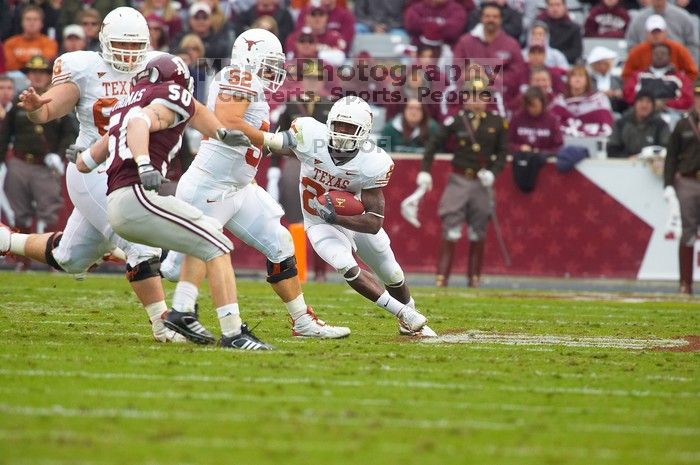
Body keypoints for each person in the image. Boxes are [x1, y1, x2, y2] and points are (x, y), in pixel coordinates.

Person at [0, 7, 182, 343]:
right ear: (104, 41)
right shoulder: (83, 67)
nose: (128, 54)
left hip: (132, 169)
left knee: (72, 258)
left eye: (134, 45)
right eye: (121, 45)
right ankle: (163, 323)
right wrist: (38, 106)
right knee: (141, 243)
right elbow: (51, 108)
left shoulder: (160, 66)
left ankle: (7, 240)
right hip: (92, 169)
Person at [159, 30, 350, 339]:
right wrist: (275, 139)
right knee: (176, 266)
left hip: (237, 188)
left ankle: (302, 320)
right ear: (250, 58)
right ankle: (169, 300)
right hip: (209, 188)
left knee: (280, 242)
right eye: (269, 63)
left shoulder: (252, 85)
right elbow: (228, 121)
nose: (274, 70)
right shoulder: (238, 75)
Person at [89, 53, 269, 348]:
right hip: (138, 197)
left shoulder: (128, 101)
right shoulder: (167, 96)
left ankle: (183, 311)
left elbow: (88, 160)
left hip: (118, 202)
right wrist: (145, 163)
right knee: (218, 243)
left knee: (202, 236)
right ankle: (233, 333)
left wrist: (222, 133)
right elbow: (140, 122)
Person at [273, 96, 436, 336]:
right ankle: (404, 314)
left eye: (349, 128)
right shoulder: (311, 137)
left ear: (364, 131)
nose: (342, 132)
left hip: (351, 221)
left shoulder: (372, 161)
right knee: (345, 266)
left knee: (391, 272)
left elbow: (374, 222)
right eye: (338, 125)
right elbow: (276, 143)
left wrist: (336, 218)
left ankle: (409, 314)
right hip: (318, 224)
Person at [416, 78, 507, 288]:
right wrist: (425, 171)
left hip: (482, 181)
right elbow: (432, 144)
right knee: (451, 227)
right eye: (472, 96)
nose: (477, 101)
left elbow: (503, 153)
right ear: (465, 98)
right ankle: (442, 277)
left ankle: (474, 278)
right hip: (459, 179)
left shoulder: (497, 122)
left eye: (482, 96)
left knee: (479, 229)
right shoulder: (456, 121)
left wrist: (494, 173)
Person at [0, 56, 77, 271]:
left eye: (42, 72)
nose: (37, 76)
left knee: (50, 211)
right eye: (33, 73)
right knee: (19, 212)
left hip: (46, 165)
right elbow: (5, 134)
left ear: (49, 75)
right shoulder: (18, 101)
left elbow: (69, 133)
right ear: (28, 76)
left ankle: (55, 257)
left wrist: (59, 154)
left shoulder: (58, 100)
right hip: (20, 162)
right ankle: (21, 261)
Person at [269, 59, 335, 282]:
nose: (312, 83)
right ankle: (300, 268)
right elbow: (276, 138)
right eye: (308, 78)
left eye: (316, 79)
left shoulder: (329, 105)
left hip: (321, 164)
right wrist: (273, 171)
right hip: (295, 160)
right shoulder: (291, 105)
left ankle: (321, 273)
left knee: (323, 217)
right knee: (295, 217)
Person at [664, 76, 700, 294]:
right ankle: (685, 284)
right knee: (687, 232)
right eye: (698, 96)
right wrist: (668, 184)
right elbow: (671, 157)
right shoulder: (682, 124)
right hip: (687, 181)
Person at [453, 3, 524, 107]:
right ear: (481, 18)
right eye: (487, 16)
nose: (491, 20)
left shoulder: (511, 45)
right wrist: (471, 75)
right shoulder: (465, 42)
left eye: (495, 17)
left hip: (501, 99)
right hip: (470, 97)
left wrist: (492, 77)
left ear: (501, 19)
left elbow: (517, 75)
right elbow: (456, 71)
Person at [623, 14, 698, 82]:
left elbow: (692, 72)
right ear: (646, 33)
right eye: (652, 32)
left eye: (658, 32)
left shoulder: (678, 49)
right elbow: (627, 74)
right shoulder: (637, 52)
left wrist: (682, 85)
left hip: (673, 90)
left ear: (665, 32)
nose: (656, 35)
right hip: (644, 92)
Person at [623, 43, 693, 115]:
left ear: (669, 56)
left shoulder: (680, 78)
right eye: (656, 54)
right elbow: (628, 95)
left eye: (663, 54)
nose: (659, 56)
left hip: (671, 114)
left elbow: (688, 100)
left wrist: (665, 103)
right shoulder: (638, 75)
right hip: (641, 115)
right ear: (651, 56)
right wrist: (648, 103)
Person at [625, 0, 699, 64]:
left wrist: (689, 67)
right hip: (644, 69)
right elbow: (631, 45)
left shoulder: (683, 17)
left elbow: (693, 45)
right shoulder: (638, 19)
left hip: (677, 68)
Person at [550, 65, 614, 137]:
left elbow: (604, 118)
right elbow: (555, 121)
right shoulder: (560, 100)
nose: (577, 79)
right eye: (574, 76)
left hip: (593, 137)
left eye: (581, 76)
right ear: (568, 80)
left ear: (587, 80)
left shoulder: (599, 98)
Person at [607, 89, 670, 158]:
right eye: (641, 101)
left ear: (653, 106)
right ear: (635, 103)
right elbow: (612, 149)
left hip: (652, 165)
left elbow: (666, 149)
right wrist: (628, 158)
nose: (644, 105)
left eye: (648, 102)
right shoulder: (621, 124)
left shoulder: (661, 125)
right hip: (625, 165)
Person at [508, 86, 563, 157]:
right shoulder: (516, 118)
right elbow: (507, 142)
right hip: (521, 157)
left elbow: (558, 146)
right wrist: (519, 148)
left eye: (536, 106)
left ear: (542, 104)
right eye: (530, 106)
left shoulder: (552, 120)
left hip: (546, 160)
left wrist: (543, 152)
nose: (532, 109)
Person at [3, 5, 58, 71]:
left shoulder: (50, 43)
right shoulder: (10, 43)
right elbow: (10, 65)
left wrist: (20, 59)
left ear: (42, 23)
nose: (32, 23)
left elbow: (45, 63)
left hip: (41, 75)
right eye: (28, 19)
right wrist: (34, 60)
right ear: (22, 22)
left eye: (35, 19)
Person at [536, 0, 582, 65]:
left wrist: (557, 57)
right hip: (541, 63)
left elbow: (576, 52)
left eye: (558, 5)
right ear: (546, 7)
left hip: (566, 64)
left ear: (564, 6)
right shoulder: (539, 26)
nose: (555, 8)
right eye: (551, 5)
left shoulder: (574, 28)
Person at [587, 46, 625, 113]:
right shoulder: (588, 80)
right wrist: (601, 94)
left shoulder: (617, 79)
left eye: (605, 64)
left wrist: (618, 94)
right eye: (598, 64)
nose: (602, 67)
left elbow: (624, 97)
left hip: (614, 110)